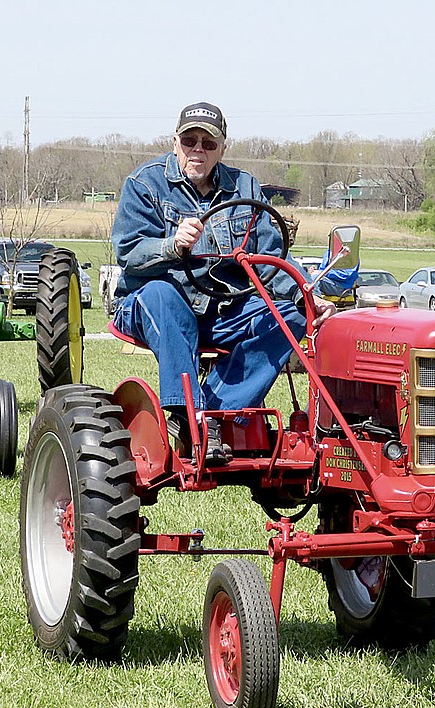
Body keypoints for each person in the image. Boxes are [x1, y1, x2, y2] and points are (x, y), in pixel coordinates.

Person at [110, 101, 334, 464]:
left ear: (222, 149)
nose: (198, 149)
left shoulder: (243, 187)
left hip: (222, 310)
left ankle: (211, 416)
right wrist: (173, 244)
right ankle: (190, 415)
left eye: (208, 143)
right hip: (151, 303)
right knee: (165, 296)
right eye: (190, 140)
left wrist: (307, 295)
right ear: (175, 141)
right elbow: (128, 251)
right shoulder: (145, 183)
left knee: (289, 318)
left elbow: (273, 258)